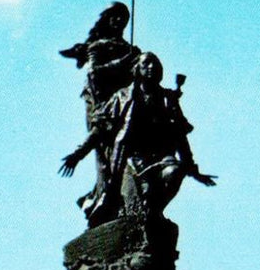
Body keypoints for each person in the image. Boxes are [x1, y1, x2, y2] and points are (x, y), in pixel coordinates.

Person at [61, 51, 215, 226]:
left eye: (155, 64)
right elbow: (100, 130)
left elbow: (179, 135)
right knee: (131, 206)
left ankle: (153, 214)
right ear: (137, 69)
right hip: (132, 160)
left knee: (174, 172)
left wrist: (193, 170)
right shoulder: (123, 97)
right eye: (146, 64)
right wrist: (77, 155)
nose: (152, 67)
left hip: (161, 159)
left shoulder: (168, 100)